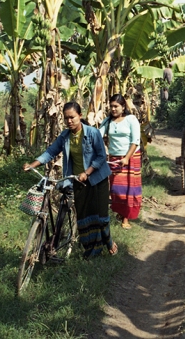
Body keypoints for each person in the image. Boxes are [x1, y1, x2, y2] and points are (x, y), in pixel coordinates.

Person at [23, 102, 117, 257]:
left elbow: (101, 157)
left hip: (97, 179)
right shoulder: (65, 137)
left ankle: (109, 242)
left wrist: (87, 172)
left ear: (80, 116)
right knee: (84, 217)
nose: (69, 121)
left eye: (72, 117)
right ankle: (92, 251)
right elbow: (50, 152)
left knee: (100, 217)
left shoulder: (93, 133)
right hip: (77, 180)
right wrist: (32, 165)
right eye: (66, 118)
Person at [99, 94, 142, 230]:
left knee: (128, 189)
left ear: (123, 107)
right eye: (111, 106)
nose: (113, 109)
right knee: (116, 189)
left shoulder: (131, 119)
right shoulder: (107, 121)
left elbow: (135, 141)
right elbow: (98, 136)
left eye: (116, 106)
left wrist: (127, 158)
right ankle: (119, 212)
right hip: (114, 159)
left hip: (130, 157)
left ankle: (126, 218)